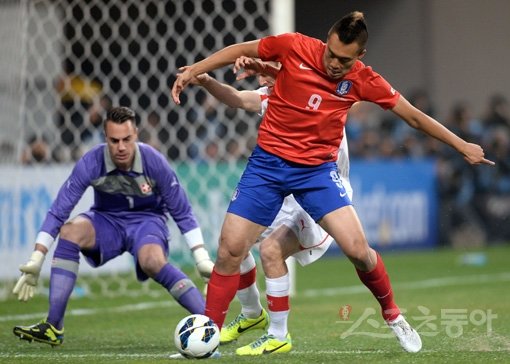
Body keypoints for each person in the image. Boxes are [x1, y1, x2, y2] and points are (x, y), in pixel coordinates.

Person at [171, 11, 494, 355]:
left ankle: (393, 314)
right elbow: (240, 50)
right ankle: (208, 336)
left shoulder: (363, 79)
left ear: (360, 57)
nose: (335, 64)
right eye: (331, 54)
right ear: (326, 41)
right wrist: (195, 69)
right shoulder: (294, 46)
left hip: (316, 174)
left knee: (358, 251)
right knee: (230, 250)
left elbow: (413, 116)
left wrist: (462, 146)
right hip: (267, 166)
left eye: (344, 60)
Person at [184, 59, 352, 356]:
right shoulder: (272, 98)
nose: (262, 81)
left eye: (266, 75)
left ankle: (278, 334)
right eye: (261, 76)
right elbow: (236, 98)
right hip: (284, 194)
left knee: (271, 251)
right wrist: (208, 81)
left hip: (319, 195)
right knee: (237, 244)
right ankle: (252, 315)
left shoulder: (315, 98)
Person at [12, 106, 214, 346]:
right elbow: (59, 210)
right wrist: (37, 256)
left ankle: (211, 324)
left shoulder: (154, 162)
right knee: (70, 231)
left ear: (136, 135)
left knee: (152, 261)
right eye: (114, 140)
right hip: (106, 220)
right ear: (105, 138)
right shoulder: (91, 162)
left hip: (147, 221)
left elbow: (182, 211)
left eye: (126, 139)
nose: (121, 147)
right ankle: (53, 326)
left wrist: (201, 257)